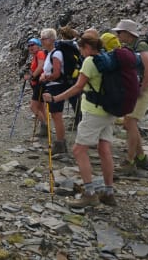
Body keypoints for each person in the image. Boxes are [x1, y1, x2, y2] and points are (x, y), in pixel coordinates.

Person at [43, 30, 117, 207]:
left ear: (88, 47)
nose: (80, 52)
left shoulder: (90, 62)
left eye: (82, 49)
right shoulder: (108, 58)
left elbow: (77, 88)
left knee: (78, 150)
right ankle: (108, 192)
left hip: (93, 111)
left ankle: (90, 193)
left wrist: (55, 98)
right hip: (109, 110)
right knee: (104, 150)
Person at [112, 19, 148, 175]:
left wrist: (141, 89)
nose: (117, 35)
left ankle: (130, 162)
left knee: (130, 122)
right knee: (130, 122)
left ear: (128, 33)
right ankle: (141, 157)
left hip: (144, 89)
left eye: (119, 32)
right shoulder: (131, 46)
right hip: (137, 89)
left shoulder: (141, 45)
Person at [38, 28, 67, 153]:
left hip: (56, 87)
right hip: (52, 86)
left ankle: (60, 144)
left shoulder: (56, 54)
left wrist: (45, 78)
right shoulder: (50, 53)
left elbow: (56, 73)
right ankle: (59, 143)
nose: (41, 41)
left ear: (51, 40)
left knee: (57, 115)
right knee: (55, 115)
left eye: (43, 39)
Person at [23, 38, 48, 137]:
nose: (30, 47)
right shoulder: (35, 56)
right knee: (41, 107)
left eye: (32, 45)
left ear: (38, 45)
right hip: (38, 84)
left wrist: (31, 76)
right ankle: (45, 128)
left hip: (40, 84)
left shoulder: (40, 54)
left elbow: (41, 66)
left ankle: (44, 126)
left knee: (33, 107)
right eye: (29, 45)